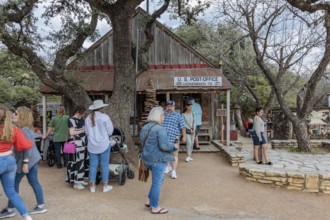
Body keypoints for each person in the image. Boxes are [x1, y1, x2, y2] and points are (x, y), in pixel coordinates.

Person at [140, 106, 178, 214]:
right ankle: (155, 207)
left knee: (158, 181)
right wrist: (174, 147)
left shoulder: (145, 127)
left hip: (146, 159)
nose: (164, 117)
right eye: (162, 115)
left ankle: (149, 200)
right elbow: (164, 146)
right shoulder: (160, 129)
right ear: (159, 116)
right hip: (157, 160)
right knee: (157, 183)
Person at [0, 106, 33, 220]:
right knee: (11, 192)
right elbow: (25, 145)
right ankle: (26, 216)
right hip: (10, 161)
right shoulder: (14, 129)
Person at [85, 100, 114, 193]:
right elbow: (110, 132)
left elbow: (86, 132)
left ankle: (92, 185)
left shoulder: (87, 118)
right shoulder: (105, 117)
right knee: (104, 165)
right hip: (104, 144)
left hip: (92, 145)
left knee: (93, 166)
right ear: (101, 108)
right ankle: (105, 185)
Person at [163, 100, 186, 179]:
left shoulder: (178, 115)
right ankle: (168, 166)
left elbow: (183, 127)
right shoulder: (163, 114)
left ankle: (173, 171)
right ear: (166, 107)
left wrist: (184, 136)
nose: (169, 108)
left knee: (174, 155)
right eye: (168, 106)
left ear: (174, 107)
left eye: (171, 106)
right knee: (165, 153)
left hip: (175, 138)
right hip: (164, 138)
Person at [66, 106, 88, 190]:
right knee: (76, 162)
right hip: (76, 144)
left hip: (81, 144)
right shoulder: (71, 119)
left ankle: (80, 180)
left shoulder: (81, 119)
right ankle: (76, 182)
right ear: (79, 112)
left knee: (81, 162)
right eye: (83, 113)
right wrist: (83, 130)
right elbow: (72, 132)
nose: (84, 114)